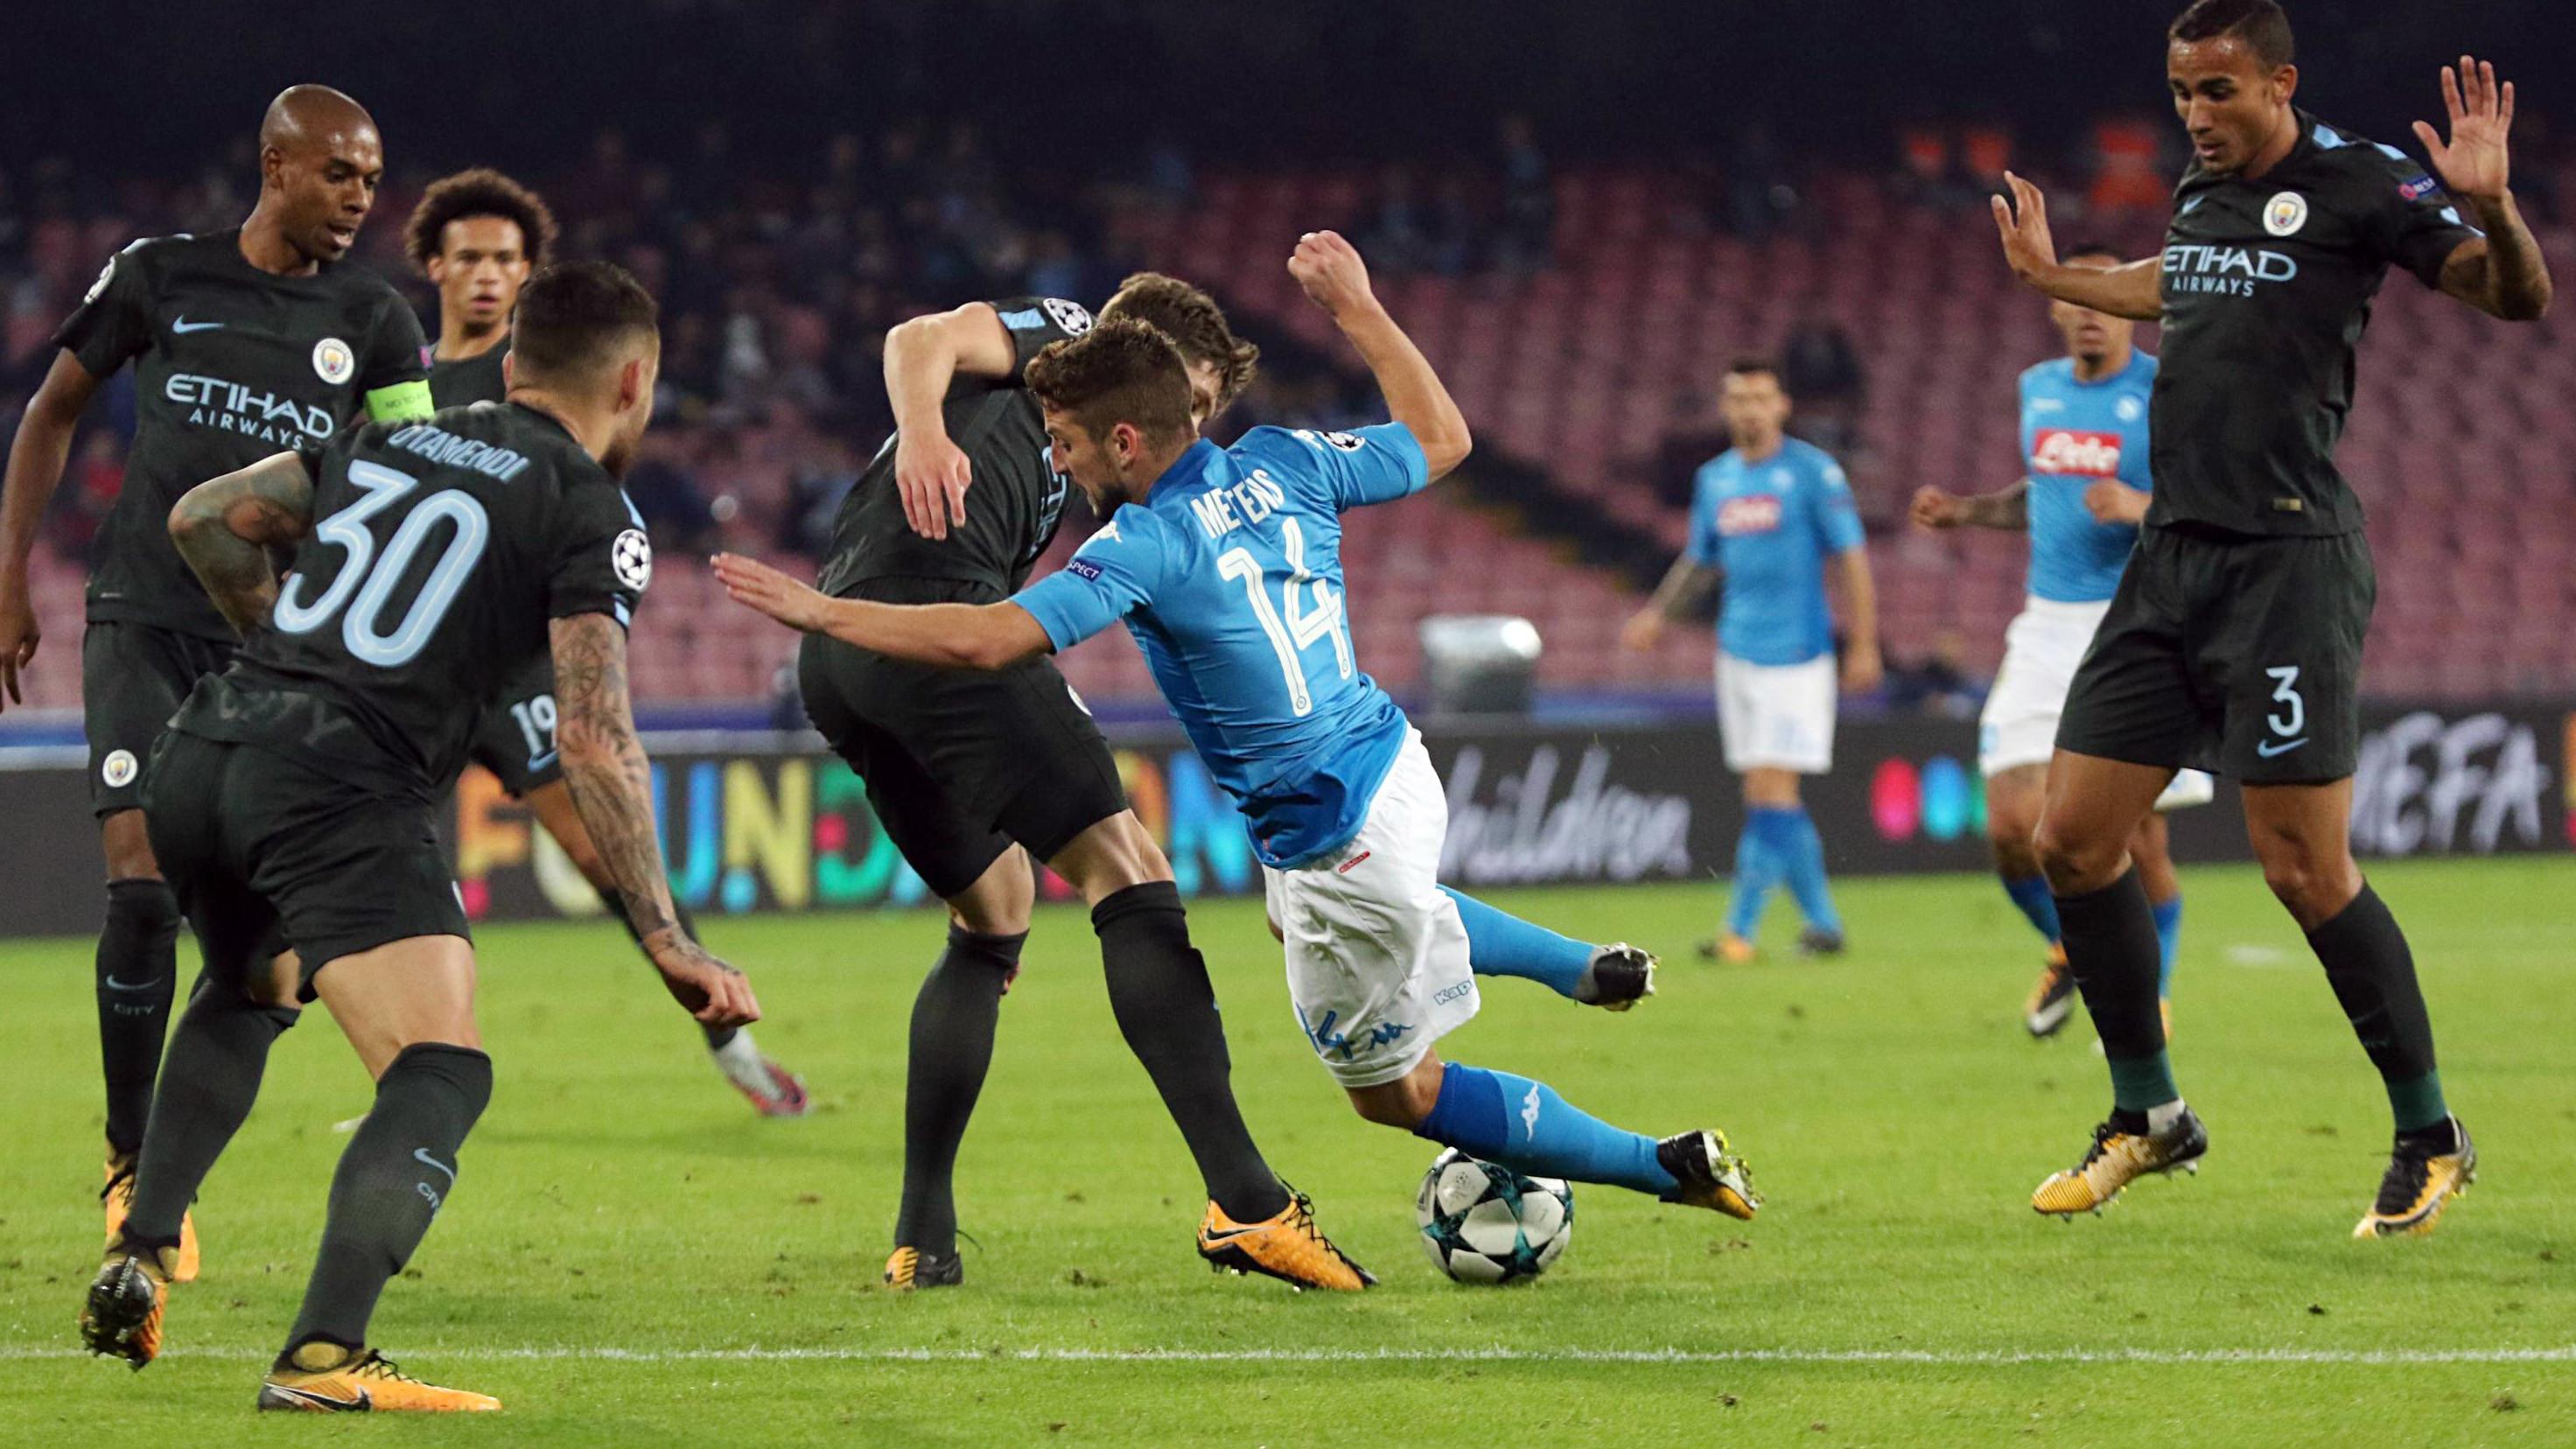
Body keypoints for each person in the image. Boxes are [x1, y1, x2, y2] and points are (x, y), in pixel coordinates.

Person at [714, 233, 1754, 1224]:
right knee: (1289, 911)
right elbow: (1443, 439)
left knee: (1394, 1092)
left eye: (1072, 444)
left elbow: (994, 640)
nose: (1060, 462)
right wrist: (1356, 308)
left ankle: (1663, 1165)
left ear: (1126, 427)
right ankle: (1578, 965)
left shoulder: (1144, 544)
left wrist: (823, 613)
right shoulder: (1286, 458)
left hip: (1331, 833)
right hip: (1393, 762)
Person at [76, 262, 754, 1411]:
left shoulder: (400, 439)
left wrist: (290, 644)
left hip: (210, 741)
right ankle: (326, 1357)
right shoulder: (592, 507)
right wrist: (669, 935)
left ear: (508, 360)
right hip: (337, 783)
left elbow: (210, 519)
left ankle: (137, 1253)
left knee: (251, 988)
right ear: (635, 380)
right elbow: (594, 741)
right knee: (440, 1066)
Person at [1992, 0, 2550, 1235]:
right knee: (2068, 840)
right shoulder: (2202, 197)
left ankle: (2430, 1132)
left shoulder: (2359, 182)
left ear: (2279, 82)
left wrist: (2497, 206)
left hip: (2288, 566)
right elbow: (2170, 283)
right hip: (2171, 562)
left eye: (2220, 92)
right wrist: (2053, 275)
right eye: (2183, 93)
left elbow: (2512, 299)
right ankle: (2149, 1116)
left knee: (2304, 868)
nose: (2197, 116)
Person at [791, 273, 1370, 1292]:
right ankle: (1249, 1204)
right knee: (1126, 866)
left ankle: (922, 1238)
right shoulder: (1069, 335)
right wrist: (924, 431)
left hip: (850, 657)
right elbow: (918, 330)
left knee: (993, 914)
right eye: (1186, 402)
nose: (1185, 433)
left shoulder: (1084, 460)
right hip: (924, 621)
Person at [0, 85, 434, 1286]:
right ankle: (130, 1163)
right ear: (276, 164)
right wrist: (10, 582)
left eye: (371, 177)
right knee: (137, 885)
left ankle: (171, 1161)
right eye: (339, 173)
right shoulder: (160, 275)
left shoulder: (378, 321)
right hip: (143, 618)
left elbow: (409, 478)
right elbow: (52, 414)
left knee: (253, 952)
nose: (360, 198)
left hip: (275, 646)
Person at [407, 167, 807, 1115]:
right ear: (434, 267)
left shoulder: (549, 374)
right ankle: (409, 1070)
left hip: (516, 669)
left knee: (611, 860)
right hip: (415, 670)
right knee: (383, 875)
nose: (487, 276)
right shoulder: (400, 380)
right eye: (468, 258)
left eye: (507, 259)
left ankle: (731, 1047)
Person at [1908, 242, 2209, 1040]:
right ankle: (2071, 943)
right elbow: (2042, 494)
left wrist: (2143, 506)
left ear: (2132, 309)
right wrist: (1968, 511)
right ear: (2057, 308)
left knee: (2139, 842)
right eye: (2077, 301)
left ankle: (2154, 991)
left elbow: (2211, 504)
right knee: (2012, 828)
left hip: (2137, 622)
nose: (2089, 316)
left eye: (2106, 302)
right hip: (2045, 627)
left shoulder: (2162, 392)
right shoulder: (2036, 390)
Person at [1620, 360, 1881, 962]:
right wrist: (1659, 614)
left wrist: (1864, 643)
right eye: (1738, 399)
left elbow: (1852, 558)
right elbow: (1700, 558)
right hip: (1736, 651)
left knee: (1771, 786)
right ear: (1725, 406)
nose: (1750, 410)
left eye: (1761, 398)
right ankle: (1823, 924)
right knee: (1767, 795)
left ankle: (1739, 931)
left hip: (1796, 654)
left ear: (1782, 406)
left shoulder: (1814, 473)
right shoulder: (1716, 479)